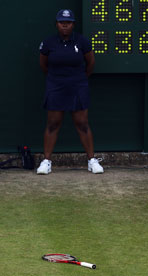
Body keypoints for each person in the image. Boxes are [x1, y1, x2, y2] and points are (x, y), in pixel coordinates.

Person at [36, 9, 103, 175]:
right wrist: (57, 78)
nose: (65, 25)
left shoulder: (82, 42)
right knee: (53, 123)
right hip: (55, 86)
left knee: (82, 123)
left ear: (73, 24)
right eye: (61, 22)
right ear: (57, 24)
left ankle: (91, 160)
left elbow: (91, 63)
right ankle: (46, 161)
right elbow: (43, 64)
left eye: (68, 22)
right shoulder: (48, 42)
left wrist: (79, 79)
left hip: (78, 86)